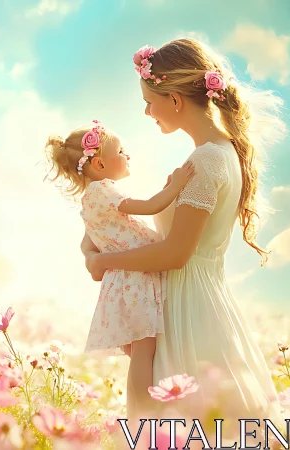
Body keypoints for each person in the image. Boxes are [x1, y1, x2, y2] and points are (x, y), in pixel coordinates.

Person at [82, 39, 287, 437]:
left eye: (149, 100)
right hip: (199, 299)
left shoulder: (208, 159)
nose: (146, 111)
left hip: (187, 310)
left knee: (185, 425)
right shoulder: (218, 154)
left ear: (175, 99)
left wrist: (102, 262)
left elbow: (176, 253)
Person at [44, 119, 195, 422]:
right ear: (99, 163)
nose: (128, 156)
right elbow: (150, 206)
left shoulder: (90, 200)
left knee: (141, 353)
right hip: (133, 281)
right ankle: (144, 416)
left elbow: (87, 244)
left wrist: (94, 259)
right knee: (144, 354)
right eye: (122, 151)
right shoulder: (104, 189)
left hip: (123, 283)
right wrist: (177, 186)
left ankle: (146, 413)